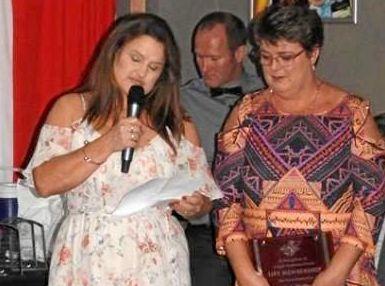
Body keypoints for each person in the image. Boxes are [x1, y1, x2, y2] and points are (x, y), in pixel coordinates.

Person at [23, 13, 222, 286]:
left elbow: (204, 195)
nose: (141, 73)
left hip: (159, 259)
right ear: (114, 53)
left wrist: (196, 205)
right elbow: (43, 182)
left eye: (154, 68)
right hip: (89, 255)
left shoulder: (178, 124)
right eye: (136, 59)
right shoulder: (72, 109)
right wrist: (108, 143)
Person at [213, 5, 385, 286]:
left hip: (339, 275)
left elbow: (371, 201)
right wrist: (244, 272)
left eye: (285, 57)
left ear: (313, 53)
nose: (273, 67)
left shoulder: (353, 114)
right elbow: (225, 198)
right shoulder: (245, 113)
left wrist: (335, 273)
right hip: (259, 276)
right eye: (265, 57)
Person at [181, 11, 264, 286]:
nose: (204, 67)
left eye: (214, 58)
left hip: (260, 232)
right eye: (199, 56)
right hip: (206, 233)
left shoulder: (267, 97)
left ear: (239, 53)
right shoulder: (182, 101)